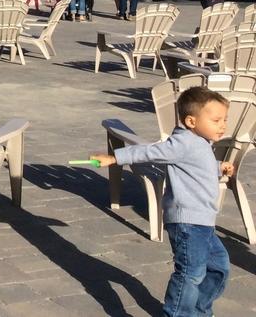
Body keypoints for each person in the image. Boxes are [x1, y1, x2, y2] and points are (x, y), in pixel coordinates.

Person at [90, 87, 233, 317]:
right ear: (191, 121)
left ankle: (198, 310)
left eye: (224, 119)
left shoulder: (200, 141)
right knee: (190, 273)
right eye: (216, 120)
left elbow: (197, 166)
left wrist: (219, 168)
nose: (223, 125)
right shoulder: (183, 142)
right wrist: (115, 157)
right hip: (188, 222)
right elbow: (150, 152)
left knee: (219, 266)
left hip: (204, 222)